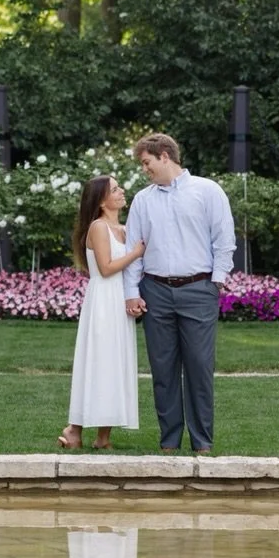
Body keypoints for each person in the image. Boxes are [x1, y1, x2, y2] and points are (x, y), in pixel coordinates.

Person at [122, 132, 236, 454]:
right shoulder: (143, 200)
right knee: (163, 369)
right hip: (155, 291)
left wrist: (216, 281)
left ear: (164, 156)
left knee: (199, 367)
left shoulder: (207, 191)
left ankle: (202, 442)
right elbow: (134, 249)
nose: (144, 169)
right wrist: (131, 292)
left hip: (199, 289)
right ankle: (169, 441)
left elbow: (224, 239)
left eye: (147, 162)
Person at [59, 174, 146, 451]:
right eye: (115, 189)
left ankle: (103, 437)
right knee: (99, 361)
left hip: (119, 299)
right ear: (101, 200)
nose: (122, 191)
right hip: (103, 302)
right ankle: (74, 429)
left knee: (114, 363)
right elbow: (107, 268)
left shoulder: (123, 228)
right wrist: (136, 252)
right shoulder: (98, 227)